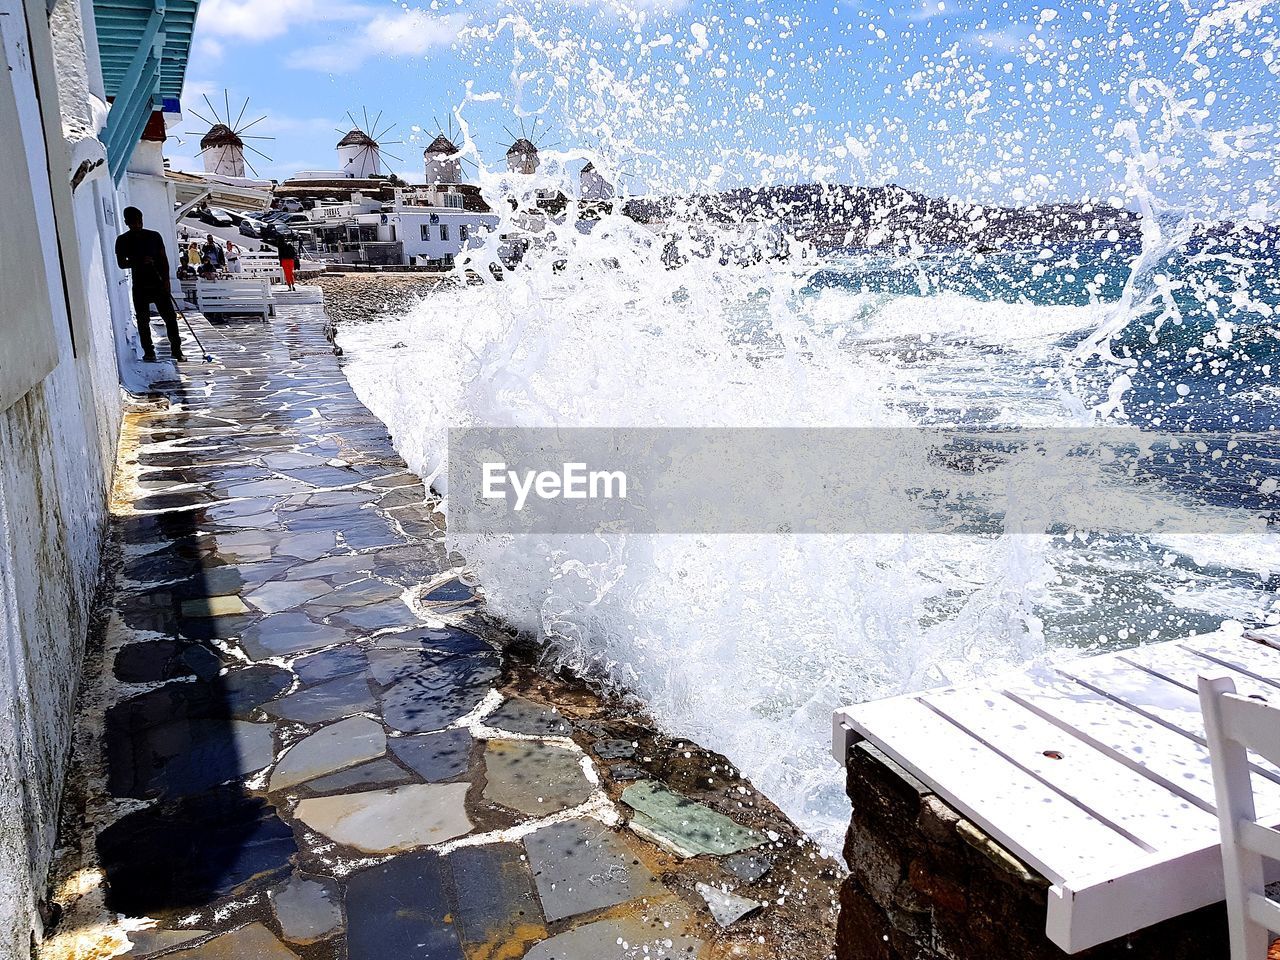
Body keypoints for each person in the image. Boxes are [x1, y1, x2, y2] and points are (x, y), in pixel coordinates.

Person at [115, 207, 185, 362]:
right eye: (133, 223)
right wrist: (139, 261)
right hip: (140, 286)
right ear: (126, 223)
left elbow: (163, 259)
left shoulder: (154, 236)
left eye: (139, 221)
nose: (137, 225)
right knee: (142, 320)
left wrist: (166, 281)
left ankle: (177, 350)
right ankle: (149, 352)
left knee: (170, 318)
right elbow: (121, 263)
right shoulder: (122, 240)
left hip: (158, 283)